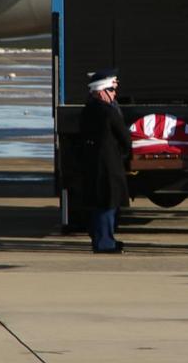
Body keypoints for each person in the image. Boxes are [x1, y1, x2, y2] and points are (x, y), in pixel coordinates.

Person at [80, 69, 131, 253]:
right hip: (109, 164)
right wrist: (125, 153)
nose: (114, 93)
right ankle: (105, 243)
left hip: (93, 163)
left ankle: (102, 238)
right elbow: (124, 137)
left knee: (99, 204)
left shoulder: (88, 109)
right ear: (102, 91)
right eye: (111, 90)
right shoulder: (108, 112)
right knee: (107, 204)